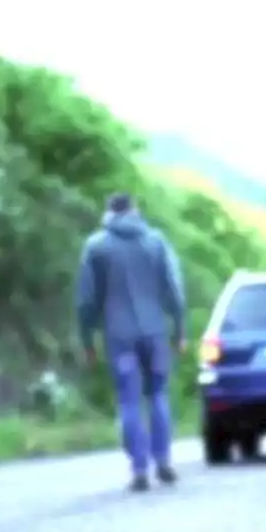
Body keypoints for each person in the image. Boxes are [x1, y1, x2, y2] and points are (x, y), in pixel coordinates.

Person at [76, 193, 187, 492]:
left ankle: (139, 469)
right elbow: (174, 289)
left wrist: (87, 341)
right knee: (158, 395)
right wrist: (180, 329)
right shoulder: (156, 241)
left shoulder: (96, 246)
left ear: (108, 213)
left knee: (129, 400)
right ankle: (163, 461)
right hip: (154, 333)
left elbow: (86, 302)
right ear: (134, 210)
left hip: (119, 336)